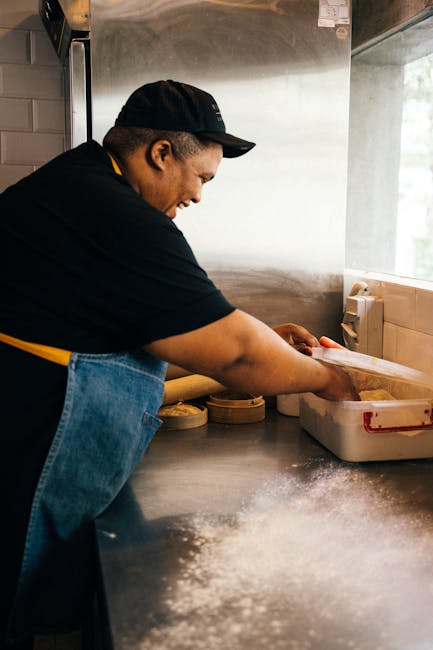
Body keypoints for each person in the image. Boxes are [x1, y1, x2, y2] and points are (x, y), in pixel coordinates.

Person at [0, 79, 357, 648]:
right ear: (161, 153)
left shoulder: (82, 187)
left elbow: (120, 362)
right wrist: (337, 379)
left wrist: (272, 348)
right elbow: (237, 353)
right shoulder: (118, 213)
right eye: (202, 179)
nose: (197, 197)